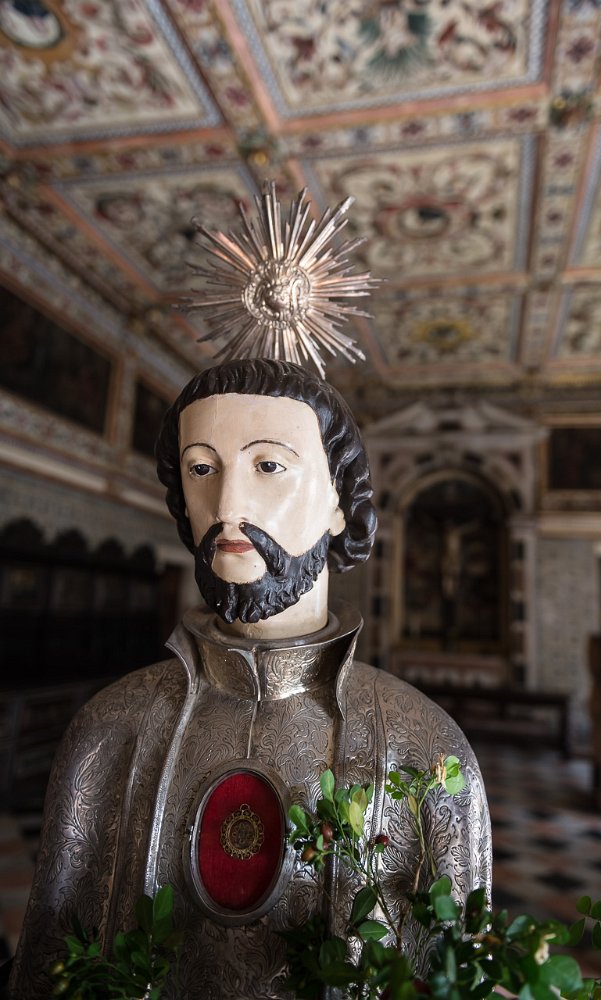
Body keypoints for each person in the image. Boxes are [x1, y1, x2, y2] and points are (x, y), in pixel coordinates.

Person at [9, 361, 491, 999]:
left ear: (339, 503)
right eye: (201, 469)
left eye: (268, 465)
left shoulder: (426, 749)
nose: (227, 506)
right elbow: (47, 971)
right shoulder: (109, 731)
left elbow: (459, 972)